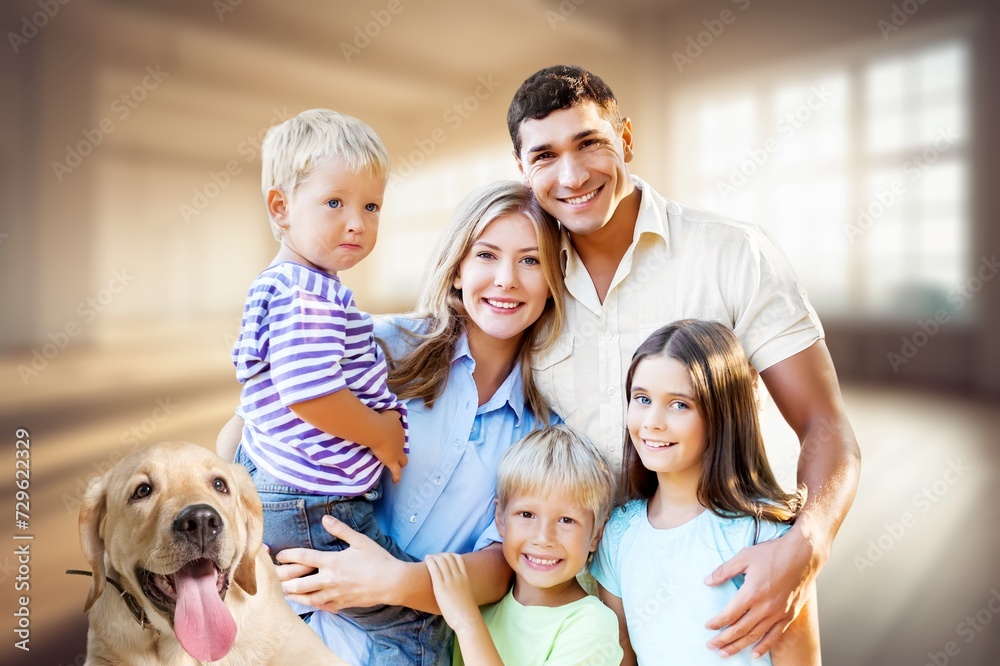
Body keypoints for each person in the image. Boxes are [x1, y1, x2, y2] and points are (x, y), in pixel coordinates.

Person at [507, 65, 860, 658]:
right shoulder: (521, 281)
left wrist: (808, 543)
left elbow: (826, 427)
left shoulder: (730, 254)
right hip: (572, 598)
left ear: (626, 138)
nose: (571, 175)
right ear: (523, 169)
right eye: (544, 155)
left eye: (589, 142)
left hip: (725, 579)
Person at [219, 180, 565, 665]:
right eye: (487, 255)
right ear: (458, 269)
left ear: (554, 279)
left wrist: (394, 581)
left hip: (403, 646)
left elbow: (500, 567)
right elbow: (246, 427)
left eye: (531, 261)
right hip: (291, 631)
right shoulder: (380, 344)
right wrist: (238, 544)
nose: (506, 279)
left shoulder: (540, 429)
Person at [231, 108, 420, 664]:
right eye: (335, 203)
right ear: (281, 207)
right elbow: (310, 394)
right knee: (411, 622)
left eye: (371, 206)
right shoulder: (308, 294)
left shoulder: (284, 284)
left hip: (283, 484)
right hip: (315, 503)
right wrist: (382, 434)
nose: (357, 222)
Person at [591, 320, 820, 665]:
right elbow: (622, 654)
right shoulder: (619, 535)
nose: (652, 421)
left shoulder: (764, 536)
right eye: (642, 399)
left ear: (721, 415)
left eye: (679, 404)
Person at [427, 425, 622, 666]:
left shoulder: (592, 625)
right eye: (527, 514)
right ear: (500, 519)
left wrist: (466, 622)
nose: (543, 537)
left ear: (595, 535)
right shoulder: (486, 600)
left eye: (566, 520)